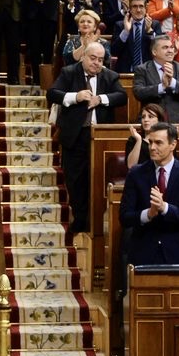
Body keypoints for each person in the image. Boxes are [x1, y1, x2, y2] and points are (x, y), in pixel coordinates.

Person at [49, 41, 120, 236]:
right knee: (75, 180)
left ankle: (91, 220)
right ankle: (80, 218)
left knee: (96, 179)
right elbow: (52, 93)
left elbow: (121, 96)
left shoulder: (110, 76)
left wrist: (102, 99)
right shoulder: (69, 72)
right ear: (84, 57)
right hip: (75, 136)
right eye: (93, 58)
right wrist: (75, 97)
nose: (97, 63)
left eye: (100, 59)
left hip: (100, 138)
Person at [121, 122, 179, 266]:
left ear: (173, 145)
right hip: (144, 250)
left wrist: (164, 207)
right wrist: (149, 214)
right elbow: (124, 217)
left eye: (158, 143)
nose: (152, 147)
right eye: (150, 142)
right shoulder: (136, 174)